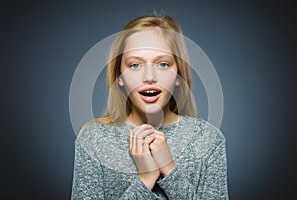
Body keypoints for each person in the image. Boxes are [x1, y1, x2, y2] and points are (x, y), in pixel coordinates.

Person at [71, 15, 229, 199]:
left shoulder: (208, 140)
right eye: (135, 65)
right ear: (119, 77)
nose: (149, 77)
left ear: (178, 75)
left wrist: (169, 169)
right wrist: (146, 179)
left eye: (163, 64)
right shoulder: (94, 140)